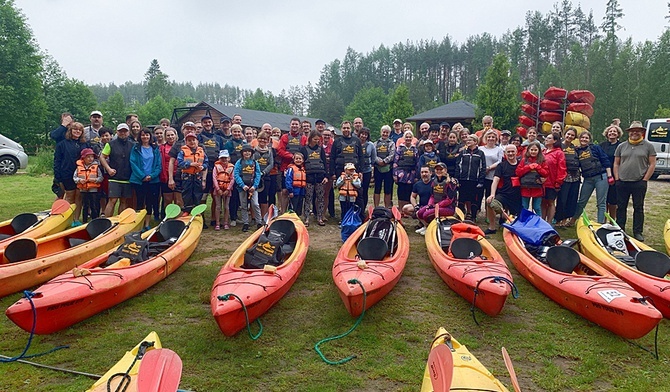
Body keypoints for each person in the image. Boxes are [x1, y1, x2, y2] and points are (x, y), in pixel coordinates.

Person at [613, 121, 657, 242]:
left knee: (638, 207)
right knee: (621, 207)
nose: (635, 132)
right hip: (622, 181)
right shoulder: (621, 146)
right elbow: (616, 163)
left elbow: (652, 164)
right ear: (629, 132)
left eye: (637, 130)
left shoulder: (648, 146)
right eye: (633, 131)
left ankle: (638, 231)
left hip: (639, 182)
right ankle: (620, 228)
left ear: (642, 132)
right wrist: (617, 178)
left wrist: (645, 179)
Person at [566, 131, 613, 225]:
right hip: (588, 179)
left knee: (601, 203)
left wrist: (609, 175)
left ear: (589, 139)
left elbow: (605, 160)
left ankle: (600, 224)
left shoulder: (595, 148)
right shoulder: (577, 150)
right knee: (582, 201)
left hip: (601, 177)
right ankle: (573, 221)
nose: (584, 139)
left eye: (586, 138)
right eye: (582, 137)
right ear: (579, 139)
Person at [55, 121, 90, 226]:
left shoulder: (84, 144)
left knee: (79, 197)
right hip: (66, 173)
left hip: (81, 174)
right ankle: (67, 219)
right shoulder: (62, 144)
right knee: (69, 196)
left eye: (80, 130)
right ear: (70, 130)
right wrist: (58, 176)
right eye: (75, 129)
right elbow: (57, 160)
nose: (77, 131)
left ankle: (76, 219)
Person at [130, 128, 161, 231]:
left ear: (150, 136)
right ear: (140, 137)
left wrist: (151, 176)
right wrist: (142, 176)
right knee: (139, 201)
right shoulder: (136, 148)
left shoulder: (155, 148)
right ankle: (140, 223)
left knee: (150, 202)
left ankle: (147, 224)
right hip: (139, 180)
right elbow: (133, 163)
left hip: (152, 180)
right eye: (143, 135)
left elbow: (158, 165)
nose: (145, 137)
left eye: (147, 135)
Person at [486, 144, 522, 233]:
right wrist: (492, 194)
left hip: (518, 196)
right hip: (504, 194)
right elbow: (495, 180)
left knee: (515, 219)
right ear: (505, 153)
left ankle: (508, 223)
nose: (510, 153)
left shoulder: (521, 165)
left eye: (512, 151)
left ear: (516, 152)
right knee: (490, 203)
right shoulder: (501, 166)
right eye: (508, 152)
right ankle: (492, 227)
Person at [100, 123, 134, 217]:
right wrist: (108, 169)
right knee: (112, 200)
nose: (123, 133)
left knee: (124, 201)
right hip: (114, 177)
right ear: (117, 132)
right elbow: (102, 157)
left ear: (128, 132)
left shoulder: (133, 145)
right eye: (120, 131)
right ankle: (107, 221)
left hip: (127, 177)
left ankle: (120, 221)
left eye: (125, 131)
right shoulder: (110, 144)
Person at [415, 163, 458, 235]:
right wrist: (429, 205)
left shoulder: (451, 182)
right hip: (436, 205)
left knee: (426, 214)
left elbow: (449, 200)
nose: (439, 171)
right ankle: (426, 227)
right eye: (437, 169)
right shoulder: (434, 181)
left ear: (445, 170)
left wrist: (436, 205)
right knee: (420, 212)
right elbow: (432, 196)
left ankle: (430, 229)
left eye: (441, 169)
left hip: (448, 208)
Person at [198, 115, 225, 228]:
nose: (207, 124)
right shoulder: (199, 137)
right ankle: (201, 218)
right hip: (203, 170)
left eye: (209, 122)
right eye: (205, 122)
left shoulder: (218, 138)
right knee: (203, 196)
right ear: (202, 124)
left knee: (215, 196)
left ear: (212, 123)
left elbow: (223, 154)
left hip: (216, 170)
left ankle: (214, 218)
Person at [277, 118, 308, 213]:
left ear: (300, 126)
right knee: (285, 191)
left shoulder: (303, 138)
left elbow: (305, 152)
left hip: (299, 169)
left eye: (296, 124)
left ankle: (295, 212)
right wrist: (292, 157)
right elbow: (280, 150)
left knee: (297, 193)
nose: (294, 126)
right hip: (286, 167)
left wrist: (298, 159)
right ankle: (283, 212)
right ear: (290, 125)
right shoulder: (285, 137)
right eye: (293, 124)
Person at [455, 134, 486, 221]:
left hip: (474, 180)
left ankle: (473, 217)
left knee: (473, 199)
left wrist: (481, 181)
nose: (468, 142)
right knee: (462, 198)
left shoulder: (480, 154)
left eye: (470, 140)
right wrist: (457, 178)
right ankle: (460, 216)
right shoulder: (463, 152)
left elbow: (483, 167)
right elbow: (458, 165)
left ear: (475, 142)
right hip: (463, 179)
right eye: (467, 140)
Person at [300, 130, 328, 226]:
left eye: (318, 139)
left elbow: (324, 163)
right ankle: (306, 218)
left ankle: (320, 217)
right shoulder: (304, 149)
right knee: (308, 198)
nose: (317, 141)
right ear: (311, 138)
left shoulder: (321, 150)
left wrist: (326, 176)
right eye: (315, 139)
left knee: (320, 198)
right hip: (309, 176)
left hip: (320, 176)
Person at [223, 124, 248, 226]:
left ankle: (238, 216)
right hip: (232, 172)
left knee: (239, 196)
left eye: (238, 132)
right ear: (231, 132)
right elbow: (225, 158)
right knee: (233, 196)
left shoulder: (244, 143)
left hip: (244, 172)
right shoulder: (228, 144)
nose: (237, 134)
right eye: (235, 131)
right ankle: (232, 217)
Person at [555, 127, 580, 227]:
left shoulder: (576, 148)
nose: (570, 136)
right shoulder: (559, 146)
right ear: (564, 134)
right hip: (564, 177)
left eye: (572, 135)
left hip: (575, 177)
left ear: (574, 137)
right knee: (562, 199)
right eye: (568, 134)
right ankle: (558, 219)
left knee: (571, 199)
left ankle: (565, 220)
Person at [177, 132, 208, 212]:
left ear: (197, 141)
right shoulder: (182, 152)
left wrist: (203, 166)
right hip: (187, 176)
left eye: (193, 140)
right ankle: (187, 210)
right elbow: (180, 163)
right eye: (189, 140)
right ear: (186, 142)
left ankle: (196, 211)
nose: (192, 142)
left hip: (198, 176)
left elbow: (206, 163)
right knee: (187, 193)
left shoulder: (201, 152)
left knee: (198, 193)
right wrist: (190, 164)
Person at [234, 145, 262, 232]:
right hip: (242, 187)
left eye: (249, 151)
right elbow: (236, 174)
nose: (247, 153)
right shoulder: (239, 162)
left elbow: (258, 175)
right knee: (243, 205)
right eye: (245, 151)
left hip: (253, 187)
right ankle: (245, 222)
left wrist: (255, 186)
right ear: (242, 153)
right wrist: (242, 185)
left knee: (255, 204)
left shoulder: (254, 163)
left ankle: (259, 222)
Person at [516, 141, 548, 215]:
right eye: (532, 150)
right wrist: (528, 167)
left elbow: (546, 173)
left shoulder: (542, 161)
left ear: (539, 151)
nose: (533, 152)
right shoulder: (524, 160)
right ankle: (523, 221)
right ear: (528, 150)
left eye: (535, 150)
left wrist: (538, 167)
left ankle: (538, 222)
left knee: (536, 207)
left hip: (537, 188)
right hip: (525, 188)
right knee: (524, 206)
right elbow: (518, 172)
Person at [540, 132, 566, 225]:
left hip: (552, 182)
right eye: (546, 138)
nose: (546, 139)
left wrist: (558, 182)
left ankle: (549, 222)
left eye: (549, 138)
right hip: (542, 182)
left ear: (555, 141)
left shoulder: (559, 153)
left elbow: (562, 168)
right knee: (542, 202)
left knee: (551, 202)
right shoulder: (542, 152)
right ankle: (542, 221)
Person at [479, 130, 503, 228]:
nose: (491, 138)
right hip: (481, 176)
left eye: (493, 137)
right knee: (480, 195)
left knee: (490, 196)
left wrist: (489, 168)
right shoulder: (480, 148)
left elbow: (500, 161)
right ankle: (481, 213)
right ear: (486, 138)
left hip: (493, 176)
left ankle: (490, 216)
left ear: (496, 139)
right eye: (489, 137)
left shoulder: (499, 149)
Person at [600, 122, 623, 219]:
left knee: (613, 199)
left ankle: (612, 220)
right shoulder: (602, 145)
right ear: (607, 133)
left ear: (618, 134)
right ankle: (603, 219)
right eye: (610, 131)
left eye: (614, 131)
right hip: (603, 174)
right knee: (603, 198)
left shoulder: (621, 145)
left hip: (615, 174)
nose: (612, 133)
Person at [73, 148, 102, 223]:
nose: (90, 159)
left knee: (93, 205)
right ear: (83, 158)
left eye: (92, 157)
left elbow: (101, 178)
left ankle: (94, 220)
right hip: (83, 189)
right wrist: (79, 180)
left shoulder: (96, 167)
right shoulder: (79, 167)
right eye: (88, 157)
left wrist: (95, 180)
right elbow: (74, 177)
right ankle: (84, 220)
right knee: (85, 206)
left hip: (93, 189)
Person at [394, 130, 419, 209]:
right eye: (406, 137)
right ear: (404, 138)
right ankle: (401, 209)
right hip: (401, 173)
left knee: (409, 191)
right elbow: (395, 162)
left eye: (410, 137)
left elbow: (417, 163)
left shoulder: (415, 149)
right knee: (401, 191)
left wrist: (417, 176)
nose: (408, 138)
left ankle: (407, 209)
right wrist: (395, 174)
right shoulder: (399, 148)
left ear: (412, 138)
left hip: (412, 173)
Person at [159, 127, 183, 212]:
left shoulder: (182, 146)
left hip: (179, 175)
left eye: (172, 135)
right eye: (168, 135)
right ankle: (167, 218)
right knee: (167, 200)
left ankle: (178, 218)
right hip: (166, 175)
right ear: (165, 137)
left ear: (176, 135)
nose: (170, 137)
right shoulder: (162, 147)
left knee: (179, 200)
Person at [406, 166, 434, 232]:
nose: (424, 174)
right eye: (422, 172)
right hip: (421, 206)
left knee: (422, 212)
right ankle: (424, 224)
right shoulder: (417, 184)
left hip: (432, 206)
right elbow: (412, 196)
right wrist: (416, 205)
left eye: (426, 172)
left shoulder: (435, 183)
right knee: (406, 208)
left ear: (431, 173)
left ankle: (428, 227)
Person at [254, 130, 274, 220]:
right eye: (261, 139)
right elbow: (252, 162)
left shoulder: (269, 151)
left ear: (268, 141)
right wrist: (257, 173)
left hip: (266, 177)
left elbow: (271, 164)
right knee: (254, 198)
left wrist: (264, 172)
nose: (263, 141)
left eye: (265, 139)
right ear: (258, 139)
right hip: (254, 177)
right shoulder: (253, 150)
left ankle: (264, 217)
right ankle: (254, 217)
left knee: (264, 198)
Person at [373, 125, 396, 208]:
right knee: (377, 189)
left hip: (388, 169)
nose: (385, 134)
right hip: (378, 168)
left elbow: (392, 154)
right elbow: (373, 154)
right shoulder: (375, 143)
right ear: (381, 132)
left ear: (389, 133)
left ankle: (386, 208)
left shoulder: (392, 143)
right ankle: (376, 207)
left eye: (387, 132)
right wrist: (379, 161)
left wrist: (384, 161)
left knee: (388, 190)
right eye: (383, 132)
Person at [356, 127, 376, 216]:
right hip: (356, 170)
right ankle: (356, 208)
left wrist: (371, 166)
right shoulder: (355, 143)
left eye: (365, 134)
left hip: (367, 170)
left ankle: (363, 209)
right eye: (362, 133)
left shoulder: (371, 145)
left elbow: (373, 157)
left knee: (364, 190)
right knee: (356, 190)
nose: (363, 136)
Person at [212, 150, 234, 230]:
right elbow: (214, 178)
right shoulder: (216, 167)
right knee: (218, 206)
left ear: (228, 158)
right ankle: (217, 223)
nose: (224, 160)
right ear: (219, 159)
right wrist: (218, 189)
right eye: (222, 158)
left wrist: (228, 189)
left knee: (226, 207)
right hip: (218, 189)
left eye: (225, 158)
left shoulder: (231, 168)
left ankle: (226, 222)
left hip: (227, 190)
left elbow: (232, 179)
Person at [284, 152, 307, 220]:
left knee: (299, 206)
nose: (298, 160)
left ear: (302, 160)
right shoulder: (291, 169)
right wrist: (290, 191)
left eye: (300, 159)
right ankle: (290, 219)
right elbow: (288, 180)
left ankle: (297, 218)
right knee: (293, 206)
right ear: (294, 160)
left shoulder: (303, 169)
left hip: (301, 191)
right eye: (296, 159)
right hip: (294, 191)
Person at [322, 128, 336, 219]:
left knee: (326, 193)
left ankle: (323, 214)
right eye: (325, 135)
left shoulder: (333, 145)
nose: (326, 136)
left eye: (328, 135)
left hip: (329, 172)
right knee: (319, 194)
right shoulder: (318, 145)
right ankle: (318, 213)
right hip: (320, 171)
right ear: (322, 136)